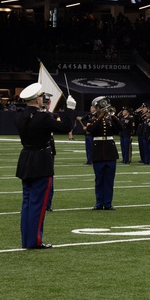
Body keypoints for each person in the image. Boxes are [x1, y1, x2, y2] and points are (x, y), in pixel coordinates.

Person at [14, 83, 75, 249]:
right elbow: (66, 127)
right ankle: (35, 241)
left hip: (26, 159)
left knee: (27, 203)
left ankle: (26, 239)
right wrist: (70, 109)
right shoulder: (44, 117)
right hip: (40, 160)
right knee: (38, 203)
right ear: (37, 99)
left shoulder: (19, 115)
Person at [86, 96, 121, 210]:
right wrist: (99, 117)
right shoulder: (92, 119)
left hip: (110, 152)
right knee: (99, 179)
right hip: (98, 152)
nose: (103, 109)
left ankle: (108, 203)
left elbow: (120, 128)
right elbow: (90, 131)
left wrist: (114, 117)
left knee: (109, 180)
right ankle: (99, 203)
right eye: (100, 107)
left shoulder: (110, 119)